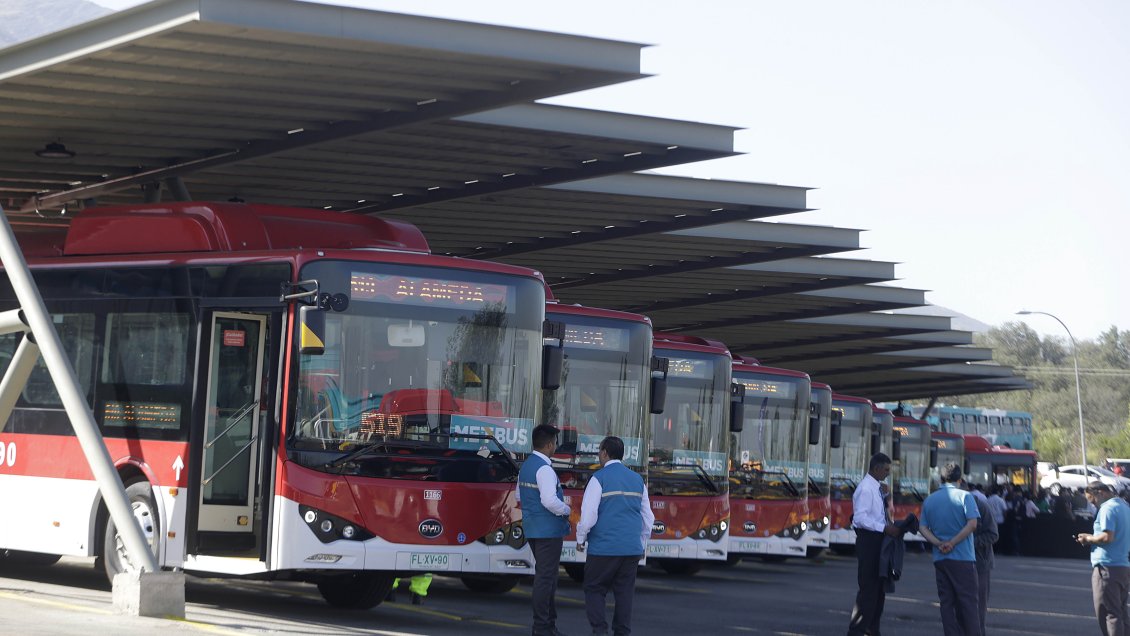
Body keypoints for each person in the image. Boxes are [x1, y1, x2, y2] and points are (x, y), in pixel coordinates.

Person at [575, 436, 654, 636]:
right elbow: (648, 518)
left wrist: (580, 539)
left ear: (604, 453)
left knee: (594, 588)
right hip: (631, 550)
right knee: (624, 593)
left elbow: (589, 516)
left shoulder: (598, 478)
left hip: (604, 548)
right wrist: (641, 544)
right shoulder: (637, 480)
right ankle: (622, 632)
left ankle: (600, 631)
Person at [518, 424, 572, 636]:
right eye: (555, 442)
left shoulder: (527, 466)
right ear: (549, 444)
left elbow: (519, 496)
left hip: (532, 528)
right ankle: (543, 627)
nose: (556, 446)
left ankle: (546, 625)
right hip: (548, 530)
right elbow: (550, 500)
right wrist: (566, 509)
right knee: (546, 579)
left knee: (546, 577)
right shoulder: (545, 469)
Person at [920, 462, 981, 636]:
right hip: (963, 558)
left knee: (946, 604)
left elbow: (923, 527)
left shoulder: (929, 500)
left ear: (941, 478)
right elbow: (973, 524)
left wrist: (938, 543)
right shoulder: (965, 497)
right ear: (960, 479)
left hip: (940, 558)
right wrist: (953, 542)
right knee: (968, 603)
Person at [847, 452, 903, 636]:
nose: (888, 473)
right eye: (886, 470)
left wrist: (888, 497)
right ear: (876, 468)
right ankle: (857, 630)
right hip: (869, 541)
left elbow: (883, 513)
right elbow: (860, 518)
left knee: (879, 591)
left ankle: (872, 629)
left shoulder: (877, 487)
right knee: (868, 591)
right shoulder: (866, 489)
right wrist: (884, 528)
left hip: (877, 540)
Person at [1075, 481, 1130, 636]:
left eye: (1093, 500)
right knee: (1121, 612)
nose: (1094, 504)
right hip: (1123, 565)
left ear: (1100, 492)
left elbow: (1107, 537)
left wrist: (1088, 539)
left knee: (1109, 614)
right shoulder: (1125, 507)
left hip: (1107, 567)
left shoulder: (1107, 508)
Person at [967, 480, 998, 636]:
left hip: (981, 563)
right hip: (960, 562)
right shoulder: (954, 506)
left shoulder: (982, 507)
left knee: (978, 604)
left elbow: (993, 534)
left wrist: (971, 543)